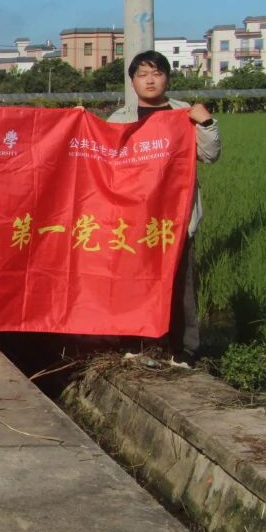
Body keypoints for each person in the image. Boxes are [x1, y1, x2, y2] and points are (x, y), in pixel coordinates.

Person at [107, 50, 220, 367]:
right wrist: (79, 123)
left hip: (175, 219)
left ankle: (184, 349)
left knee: (181, 284)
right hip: (132, 219)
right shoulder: (119, 120)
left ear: (167, 78)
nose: (150, 80)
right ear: (132, 81)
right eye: (142, 75)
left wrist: (207, 123)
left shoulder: (183, 115)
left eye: (156, 73)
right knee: (132, 280)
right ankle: (133, 343)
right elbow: (102, 162)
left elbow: (210, 156)